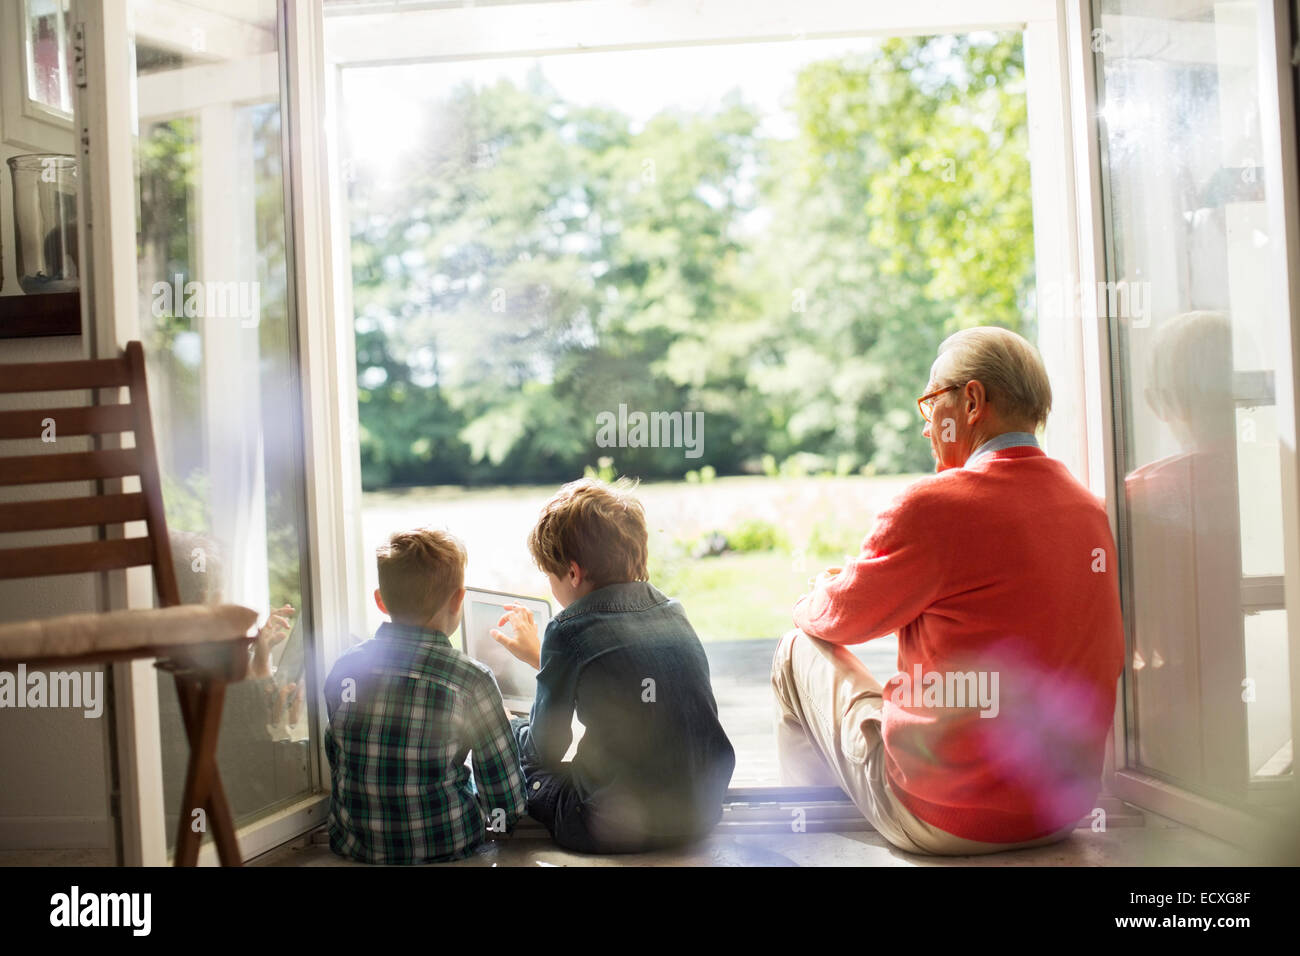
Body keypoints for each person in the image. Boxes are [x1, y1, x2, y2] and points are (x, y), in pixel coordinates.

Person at [772, 325, 1124, 855]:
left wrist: (814, 592)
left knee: (795, 649)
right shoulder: (1088, 509)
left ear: (973, 401)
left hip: (946, 818)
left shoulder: (935, 506)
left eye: (930, 403)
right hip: (1060, 811)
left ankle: (809, 846)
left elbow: (839, 617)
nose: (925, 427)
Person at [493, 477, 736, 852]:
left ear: (573, 573)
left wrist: (511, 726)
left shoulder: (566, 629)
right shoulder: (673, 611)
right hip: (701, 812)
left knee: (526, 764)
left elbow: (546, 748)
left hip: (610, 826)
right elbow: (626, 676)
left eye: (550, 576)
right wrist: (542, 659)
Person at [323, 529, 527, 863]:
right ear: (459, 599)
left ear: (380, 600)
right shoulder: (472, 679)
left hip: (356, 845)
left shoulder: (345, 668)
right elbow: (505, 798)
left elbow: (339, 753)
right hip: (445, 845)